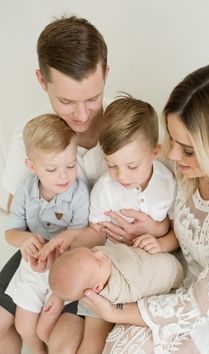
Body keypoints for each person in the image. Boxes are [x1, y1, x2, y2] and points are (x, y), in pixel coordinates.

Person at [79, 61, 209, 354]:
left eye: (187, 149)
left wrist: (118, 312)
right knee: (122, 347)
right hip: (175, 281)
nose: (171, 154)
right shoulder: (176, 169)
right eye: (171, 140)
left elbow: (200, 304)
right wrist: (156, 229)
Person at [0, 15, 110, 354]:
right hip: (43, 250)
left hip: (94, 257)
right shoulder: (30, 135)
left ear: (105, 74)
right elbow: (14, 209)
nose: (81, 114)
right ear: (42, 81)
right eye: (66, 102)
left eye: (92, 98)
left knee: (62, 339)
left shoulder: (123, 135)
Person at [36, 96, 179, 353]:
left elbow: (177, 232)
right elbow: (96, 232)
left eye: (132, 166)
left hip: (149, 272)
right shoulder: (105, 189)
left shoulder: (167, 182)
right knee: (93, 338)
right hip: (109, 271)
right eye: (111, 165)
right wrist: (72, 237)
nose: (121, 175)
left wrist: (160, 240)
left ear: (155, 152)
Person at [4, 114, 91, 354]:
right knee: (23, 326)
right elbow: (10, 232)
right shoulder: (26, 190)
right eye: (52, 169)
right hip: (33, 265)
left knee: (46, 326)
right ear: (32, 167)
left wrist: (60, 292)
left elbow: (79, 237)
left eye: (71, 166)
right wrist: (24, 239)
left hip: (66, 265)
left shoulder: (78, 193)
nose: (64, 176)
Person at [49, 244, 183, 306]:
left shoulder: (96, 270)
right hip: (172, 273)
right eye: (97, 260)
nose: (100, 253)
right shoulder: (117, 290)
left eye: (91, 251)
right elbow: (137, 294)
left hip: (163, 258)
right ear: (97, 288)